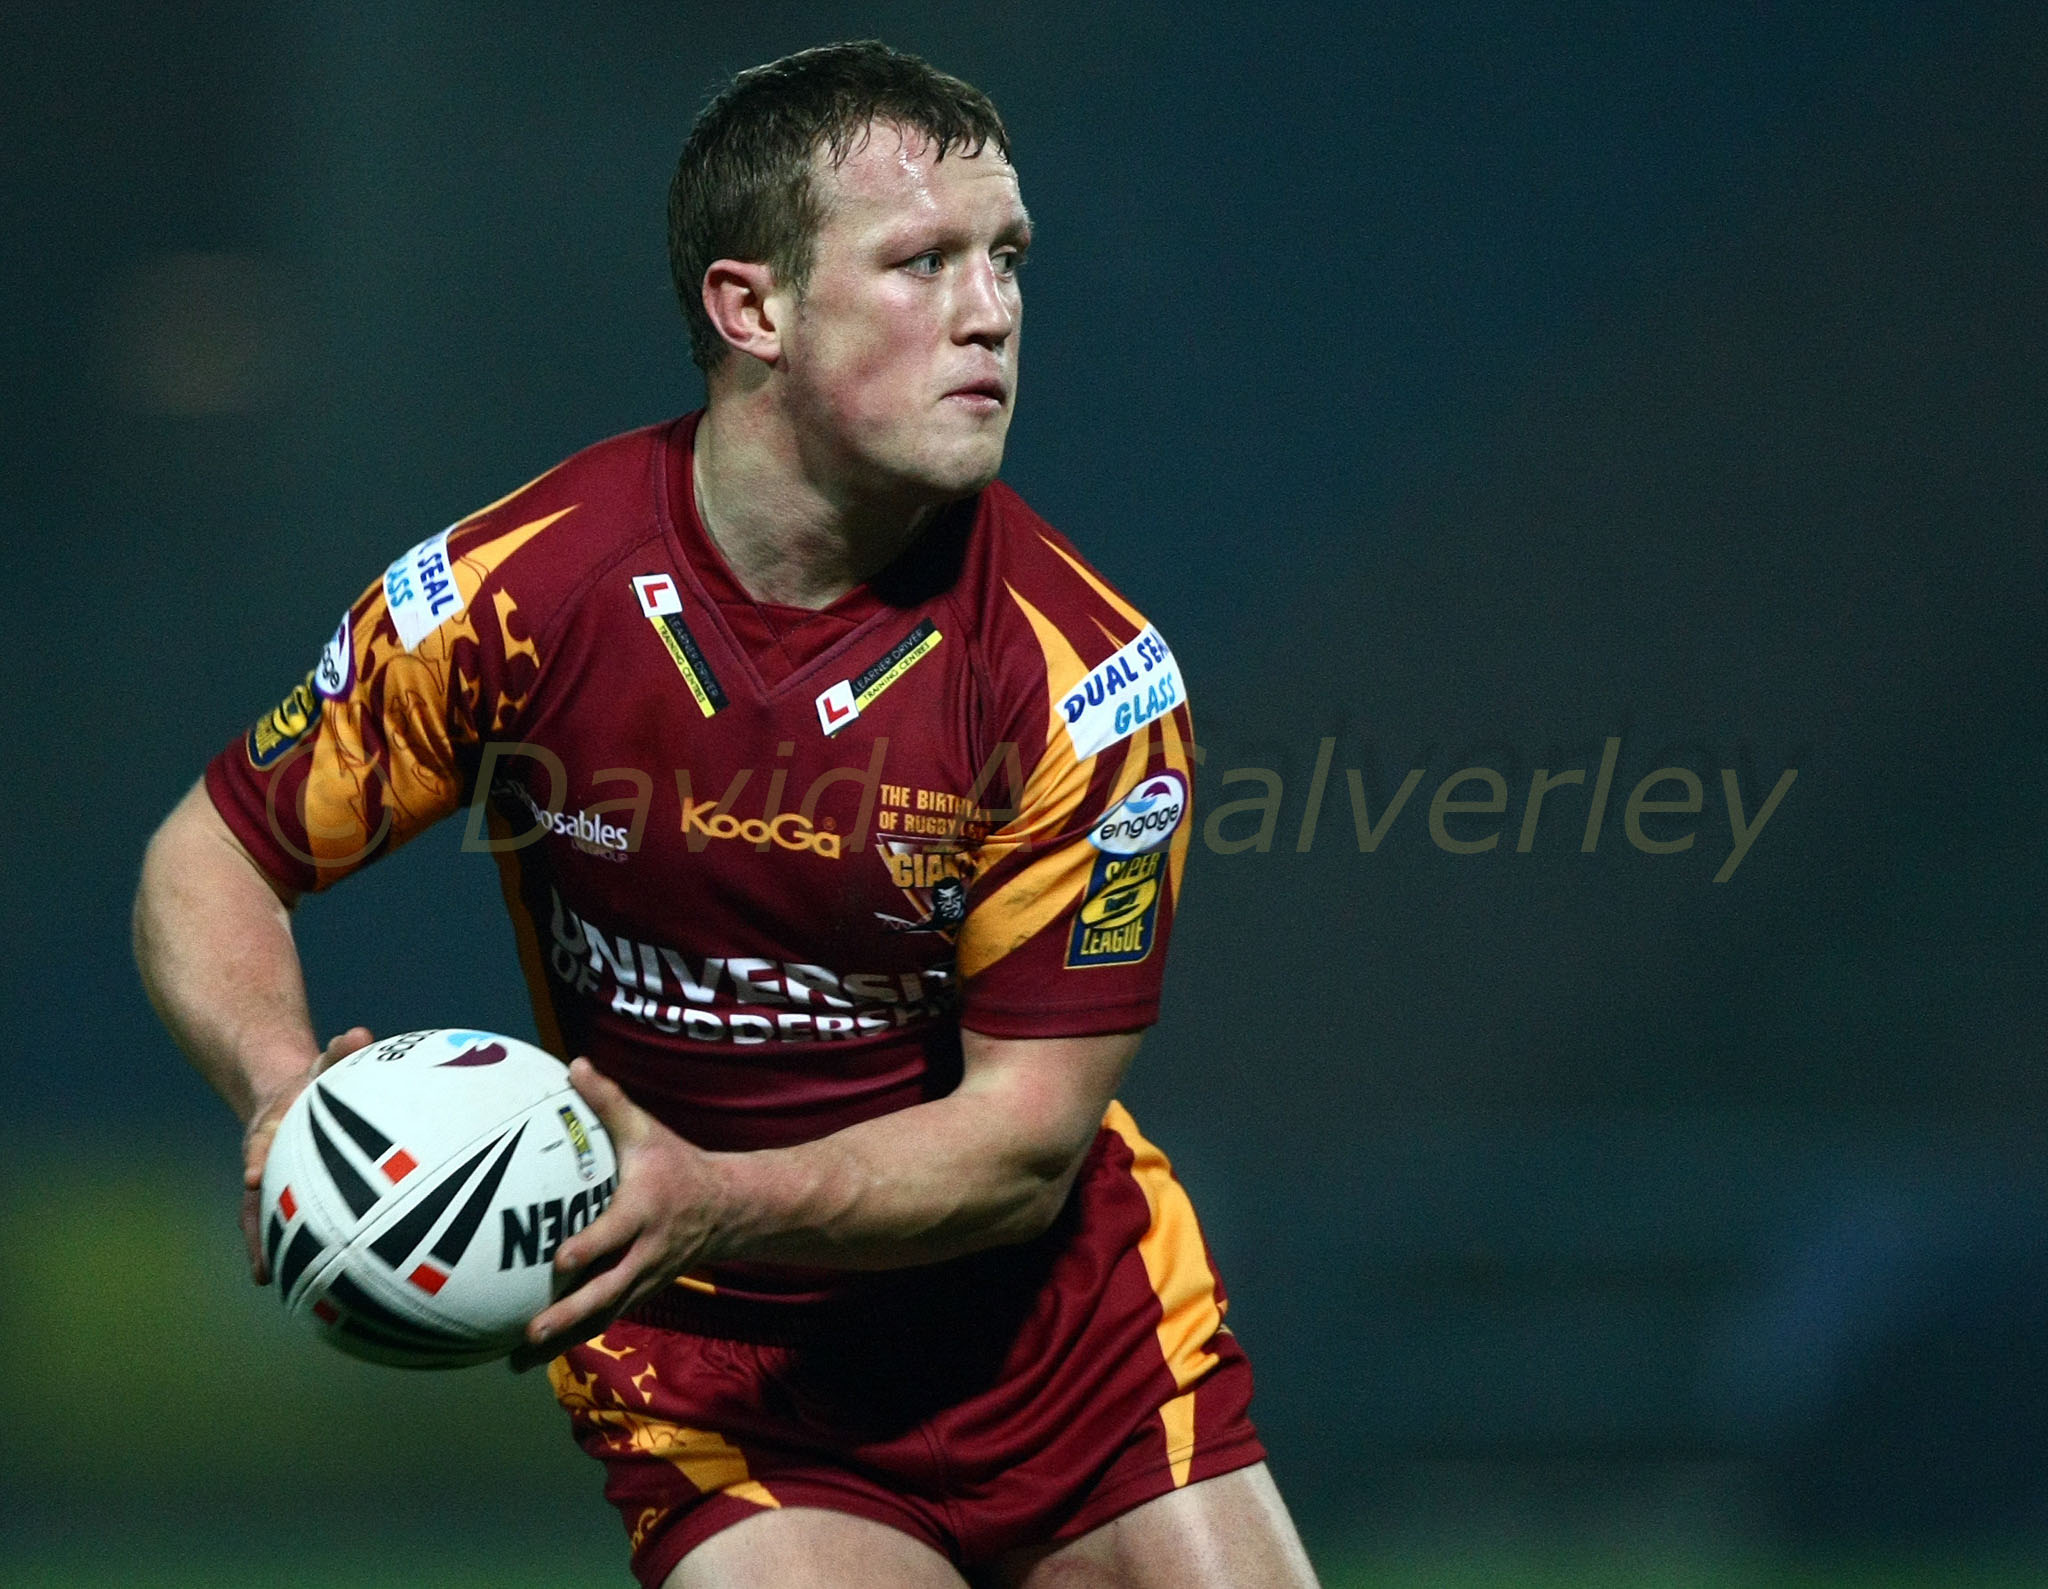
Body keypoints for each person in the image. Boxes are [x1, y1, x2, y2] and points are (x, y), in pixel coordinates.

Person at [133, 40, 1319, 1589]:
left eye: (1009, 258)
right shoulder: (518, 594)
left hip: (1066, 1355)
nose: (991, 311)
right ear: (752, 309)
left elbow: (1025, 1145)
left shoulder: (1084, 678)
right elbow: (215, 851)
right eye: (925, 262)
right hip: (714, 1386)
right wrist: (282, 1086)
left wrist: (713, 1195)